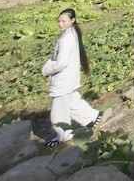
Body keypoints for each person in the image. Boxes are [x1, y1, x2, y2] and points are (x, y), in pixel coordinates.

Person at [41, 8, 102, 148]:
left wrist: (46, 70)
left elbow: (60, 63)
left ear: (72, 20)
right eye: (59, 21)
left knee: (58, 113)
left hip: (63, 80)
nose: (60, 24)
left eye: (63, 21)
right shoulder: (72, 34)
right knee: (72, 102)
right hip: (69, 78)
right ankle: (92, 116)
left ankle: (64, 136)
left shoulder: (67, 38)